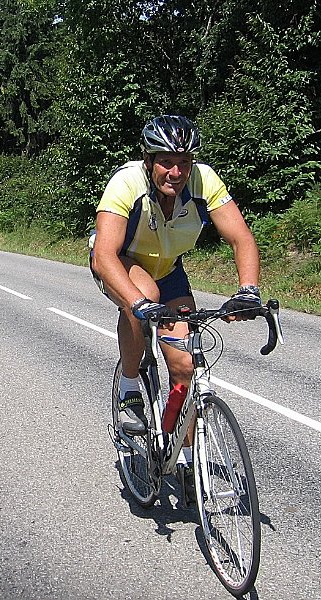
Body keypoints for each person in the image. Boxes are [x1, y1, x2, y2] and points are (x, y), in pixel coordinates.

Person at [90, 115, 261, 477]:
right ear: (149, 161)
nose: (176, 171)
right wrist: (136, 303)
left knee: (185, 367)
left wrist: (248, 290)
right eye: (166, 161)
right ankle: (130, 384)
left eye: (184, 162)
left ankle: (183, 457)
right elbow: (105, 255)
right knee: (144, 295)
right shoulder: (126, 182)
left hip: (169, 270)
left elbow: (241, 238)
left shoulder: (204, 181)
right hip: (121, 262)